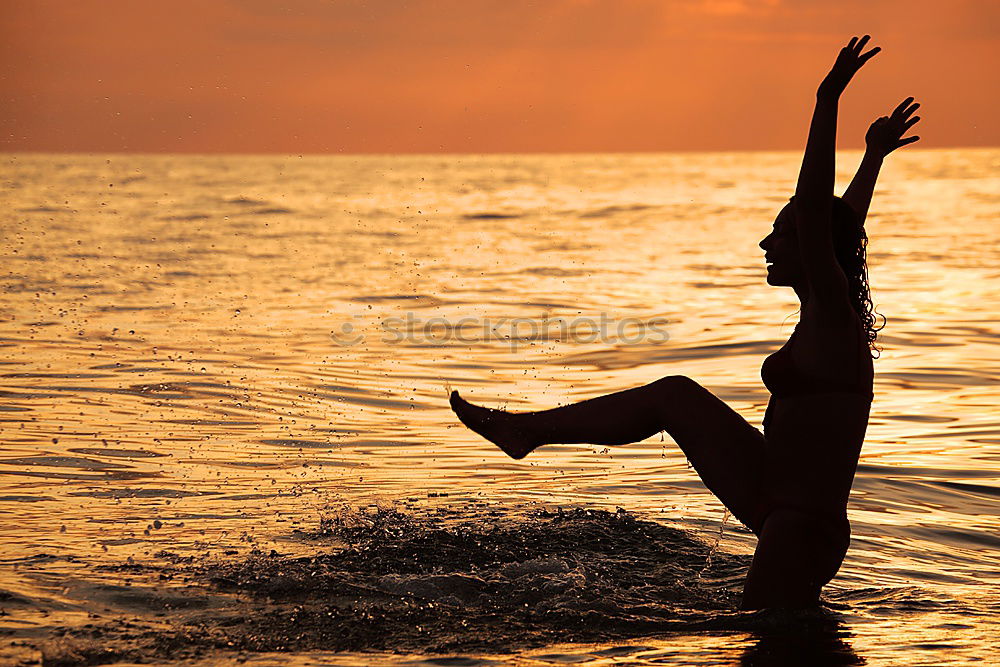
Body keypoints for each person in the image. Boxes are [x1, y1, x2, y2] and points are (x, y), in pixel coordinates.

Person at [449, 36, 920, 609]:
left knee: (772, 643)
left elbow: (820, 215)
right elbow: (840, 226)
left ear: (812, 247)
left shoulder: (832, 316)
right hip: (771, 491)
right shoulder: (826, 309)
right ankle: (526, 431)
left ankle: (526, 433)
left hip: (800, 526)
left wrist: (827, 100)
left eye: (782, 234)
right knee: (673, 395)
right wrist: (872, 158)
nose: (766, 242)